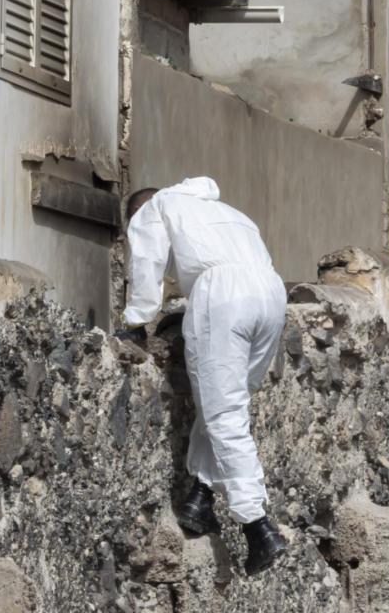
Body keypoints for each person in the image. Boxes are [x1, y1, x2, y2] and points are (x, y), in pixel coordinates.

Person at [122, 177, 289, 575]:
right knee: (226, 401)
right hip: (271, 294)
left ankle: (257, 526)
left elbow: (147, 262)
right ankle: (200, 495)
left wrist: (137, 322)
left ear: (137, 211)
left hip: (223, 297)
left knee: (224, 412)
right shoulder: (228, 212)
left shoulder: (154, 207)